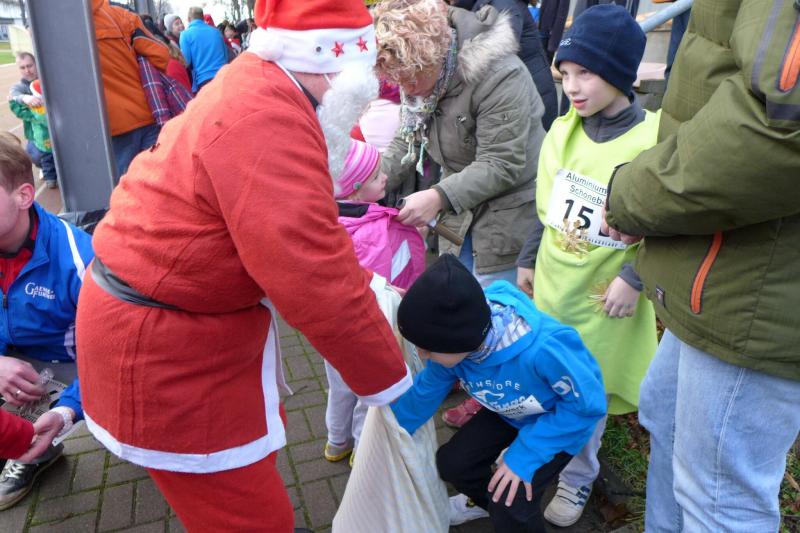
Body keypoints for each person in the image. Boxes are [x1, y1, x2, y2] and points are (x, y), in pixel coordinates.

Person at [75, 0, 412, 531]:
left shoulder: (262, 87)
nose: (368, 92)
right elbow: (315, 277)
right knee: (249, 517)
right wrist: (394, 387)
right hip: (164, 349)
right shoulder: (269, 118)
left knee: (252, 479)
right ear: (334, 64)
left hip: (178, 325)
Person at [601, 0, 800, 531]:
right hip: (721, 270)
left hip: (753, 290)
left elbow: (779, 121)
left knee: (719, 497)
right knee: (665, 420)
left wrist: (632, 197)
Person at [512, 5, 659, 526]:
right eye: (565, 73)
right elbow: (548, 209)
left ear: (620, 72)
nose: (572, 86)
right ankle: (530, 462)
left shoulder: (653, 141)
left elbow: (670, 224)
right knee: (543, 381)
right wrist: (528, 258)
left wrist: (633, 278)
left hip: (605, 303)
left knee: (586, 393)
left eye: (586, 73)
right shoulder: (563, 130)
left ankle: (578, 477)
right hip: (555, 292)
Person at [390, 254, 607, 531]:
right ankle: (489, 504)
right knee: (453, 465)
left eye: (428, 348)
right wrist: (392, 431)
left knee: (511, 504)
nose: (422, 355)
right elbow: (425, 391)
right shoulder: (459, 344)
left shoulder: (545, 349)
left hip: (555, 425)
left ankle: (507, 513)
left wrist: (524, 456)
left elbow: (586, 406)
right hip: (509, 412)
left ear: (461, 340)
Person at [375, 0, 544, 287]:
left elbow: (500, 163)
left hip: (508, 217)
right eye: (398, 80)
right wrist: (371, 179)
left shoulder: (500, 75)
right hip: (460, 208)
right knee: (459, 293)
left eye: (412, 78)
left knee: (492, 301)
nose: (406, 88)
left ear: (436, 55)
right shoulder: (422, 74)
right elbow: (408, 137)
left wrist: (437, 197)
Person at [0, 132, 93, 510]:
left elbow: (118, 355)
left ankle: (37, 447)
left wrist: (68, 410)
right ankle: (24, 441)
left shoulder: (79, 258)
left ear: (24, 196)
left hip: (75, 363)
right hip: (15, 358)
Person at [324, 139, 426, 466]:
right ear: (355, 190)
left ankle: (336, 442)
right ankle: (362, 450)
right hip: (368, 324)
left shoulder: (329, 222)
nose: (385, 178)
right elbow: (386, 271)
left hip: (332, 329)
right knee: (368, 392)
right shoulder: (371, 228)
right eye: (376, 176)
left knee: (339, 388)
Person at [448, 0, 558, 130]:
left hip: (532, 95)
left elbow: (491, 59)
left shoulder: (504, 5)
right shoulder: (472, 5)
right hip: (516, 93)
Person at [92, 0, 170, 178]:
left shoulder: (58, 28)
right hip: (145, 113)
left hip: (107, 127)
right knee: (157, 180)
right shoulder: (121, 16)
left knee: (122, 187)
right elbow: (161, 55)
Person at [8, 53, 57, 189]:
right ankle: (44, 167)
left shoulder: (48, 79)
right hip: (38, 134)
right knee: (34, 155)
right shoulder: (20, 87)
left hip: (58, 127)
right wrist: (25, 98)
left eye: (29, 66)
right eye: (22, 67)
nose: (27, 70)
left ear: (36, 64)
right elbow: (13, 94)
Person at [180, 6, 228, 93]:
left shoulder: (185, 35)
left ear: (189, 19)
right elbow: (226, 55)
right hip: (224, 76)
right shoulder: (216, 32)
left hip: (204, 80)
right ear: (202, 17)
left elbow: (186, 61)